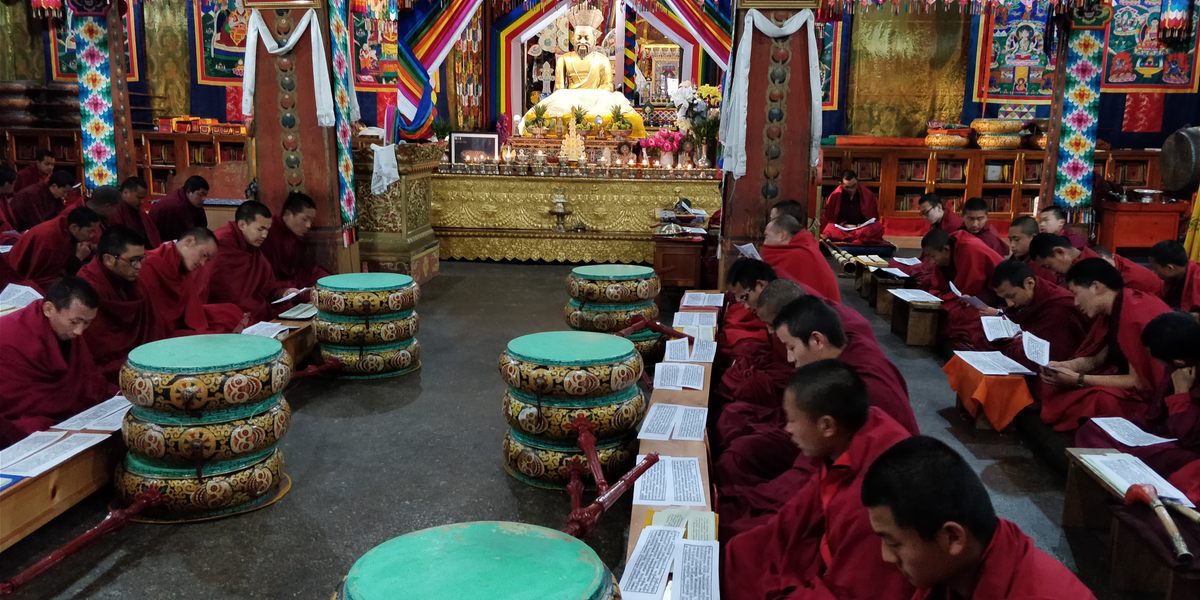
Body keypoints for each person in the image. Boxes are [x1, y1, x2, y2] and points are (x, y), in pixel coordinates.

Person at [722, 360, 914, 600]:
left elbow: (857, 587)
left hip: (841, 576)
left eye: (792, 420)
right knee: (739, 550)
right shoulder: (852, 436)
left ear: (826, 426)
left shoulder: (871, 497)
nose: (788, 429)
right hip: (824, 548)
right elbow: (797, 513)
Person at [861, 436, 1096, 599]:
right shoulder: (961, 565)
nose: (886, 556)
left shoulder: (1037, 592)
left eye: (894, 543)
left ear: (953, 537)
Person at [1038, 258, 1171, 431]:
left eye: (1076, 293)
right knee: (1053, 384)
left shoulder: (1134, 315)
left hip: (1154, 398)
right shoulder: (1114, 309)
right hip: (1123, 380)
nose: (1076, 303)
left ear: (1096, 287)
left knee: (1100, 400)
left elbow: (1138, 381)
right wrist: (1066, 366)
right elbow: (1098, 359)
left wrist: (1078, 379)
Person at [1076, 312, 1200, 496]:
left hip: (1188, 449)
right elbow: (1155, 413)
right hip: (1163, 434)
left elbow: (1189, 437)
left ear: (1178, 361)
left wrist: (1181, 393)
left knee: (1146, 458)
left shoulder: (1183, 371)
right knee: (1093, 428)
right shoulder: (1182, 363)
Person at [0, 277, 117, 447]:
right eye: (75, 322)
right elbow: (15, 402)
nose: (79, 331)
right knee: (34, 428)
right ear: (49, 309)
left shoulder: (66, 330)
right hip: (30, 418)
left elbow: (89, 380)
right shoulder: (9, 338)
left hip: (66, 413)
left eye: (87, 323)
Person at [76, 225, 164, 382]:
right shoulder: (87, 288)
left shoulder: (135, 282)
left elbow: (152, 328)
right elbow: (96, 347)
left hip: (139, 359)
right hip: (110, 368)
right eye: (133, 261)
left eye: (141, 259)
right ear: (109, 259)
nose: (139, 267)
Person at [139, 227, 245, 336]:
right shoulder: (150, 264)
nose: (203, 263)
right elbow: (149, 315)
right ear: (189, 241)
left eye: (207, 260)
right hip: (158, 327)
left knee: (230, 312)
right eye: (204, 255)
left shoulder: (182, 267)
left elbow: (192, 309)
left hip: (176, 321)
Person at [988, 260, 1090, 369]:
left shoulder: (1059, 307)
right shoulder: (1034, 298)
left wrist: (1008, 347)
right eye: (1004, 298)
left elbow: (1049, 357)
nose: (1010, 303)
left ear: (1029, 283)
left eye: (1012, 296)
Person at [209, 200, 299, 321]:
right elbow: (227, 293)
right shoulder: (220, 244)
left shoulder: (251, 247)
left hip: (251, 304)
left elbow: (267, 284)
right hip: (228, 309)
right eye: (260, 229)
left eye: (267, 230)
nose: (264, 235)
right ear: (242, 225)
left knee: (285, 307)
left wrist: (282, 293)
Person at [920, 228, 1004, 349]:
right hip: (973, 292)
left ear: (946, 250)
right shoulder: (950, 245)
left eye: (933, 256)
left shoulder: (968, 248)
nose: (932, 262)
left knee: (961, 312)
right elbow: (940, 284)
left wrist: (946, 297)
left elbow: (971, 286)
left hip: (995, 292)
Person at [1028, 233, 1163, 296]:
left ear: (1059, 252)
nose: (1053, 273)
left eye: (1049, 266)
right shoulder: (1082, 259)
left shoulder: (1093, 270)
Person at [8, 206, 102, 289]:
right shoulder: (50, 239)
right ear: (74, 227)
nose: (93, 236)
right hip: (25, 278)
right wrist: (78, 258)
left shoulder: (65, 226)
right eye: (90, 231)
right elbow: (44, 278)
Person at [761, 214, 841, 302]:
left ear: (782, 236)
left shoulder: (796, 256)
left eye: (766, 236)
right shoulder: (802, 248)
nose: (764, 243)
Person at [260, 191, 329, 288]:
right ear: (288, 214)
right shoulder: (268, 234)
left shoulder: (295, 235)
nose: (308, 225)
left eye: (311, 221)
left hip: (295, 281)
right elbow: (267, 277)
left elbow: (304, 269)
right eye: (305, 219)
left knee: (328, 281)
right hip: (278, 286)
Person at [821, 171, 885, 244]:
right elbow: (830, 219)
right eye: (847, 187)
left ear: (857, 182)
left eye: (854, 186)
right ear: (841, 184)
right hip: (842, 229)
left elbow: (872, 218)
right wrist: (845, 225)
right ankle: (859, 239)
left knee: (878, 227)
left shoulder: (867, 194)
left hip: (861, 228)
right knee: (829, 229)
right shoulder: (835, 196)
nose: (851, 190)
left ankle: (849, 239)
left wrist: (861, 225)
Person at [8, 169, 74, 231]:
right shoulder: (32, 194)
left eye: (67, 193)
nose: (65, 195)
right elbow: (36, 223)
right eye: (64, 192)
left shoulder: (55, 196)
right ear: (54, 186)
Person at [150, 175, 209, 242]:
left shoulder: (191, 202)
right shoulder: (176, 206)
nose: (204, 199)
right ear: (189, 192)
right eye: (201, 194)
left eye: (205, 195)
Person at [1149, 239, 1199, 315]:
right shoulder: (1173, 277)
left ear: (1170, 268)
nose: (1153, 272)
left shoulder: (1197, 279)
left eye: (1156, 269)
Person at [109, 176, 161, 248]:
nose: (142, 202)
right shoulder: (115, 211)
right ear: (125, 192)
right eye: (139, 198)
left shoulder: (138, 210)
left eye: (143, 198)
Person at [1006, 215, 1058, 282]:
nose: (1012, 245)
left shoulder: (1044, 264)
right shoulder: (1013, 260)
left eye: (1016, 240)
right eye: (1010, 240)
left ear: (1033, 238)